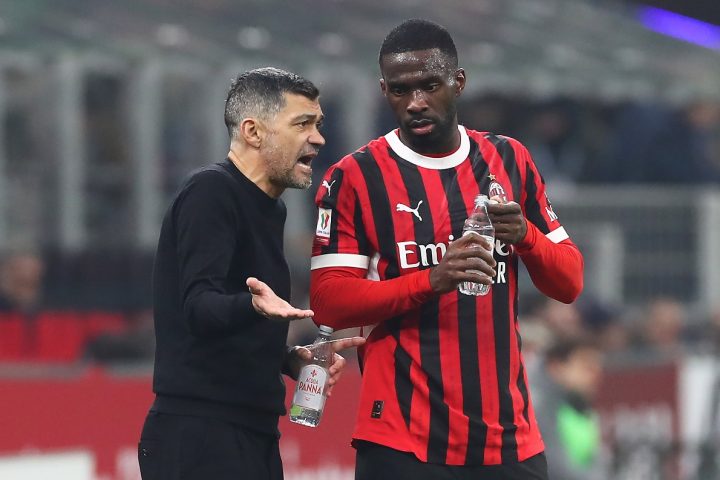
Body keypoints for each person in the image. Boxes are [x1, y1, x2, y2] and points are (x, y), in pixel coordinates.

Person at [309, 19, 584, 480]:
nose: (415, 103)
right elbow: (328, 304)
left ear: (458, 82)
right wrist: (432, 280)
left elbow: (570, 282)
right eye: (400, 91)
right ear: (383, 91)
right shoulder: (355, 176)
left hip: (508, 437)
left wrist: (526, 238)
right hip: (402, 439)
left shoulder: (510, 159)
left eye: (429, 86)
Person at [138, 67, 364, 480]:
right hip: (202, 434)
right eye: (302, 124)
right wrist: (253, 307)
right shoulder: (211, 192)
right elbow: (199, 307)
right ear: (253, 132)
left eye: (318, 124)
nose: (318, 138)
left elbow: (226, 325)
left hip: (250, 429)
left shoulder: (269, 207)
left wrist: (289, 360)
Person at [531, 336, 605, 480]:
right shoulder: (537, 407)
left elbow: (596, 462)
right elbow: (555, 467)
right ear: (556, 367)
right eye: (586, 367)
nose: (596, 375)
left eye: (598, 368)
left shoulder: (583, 409)